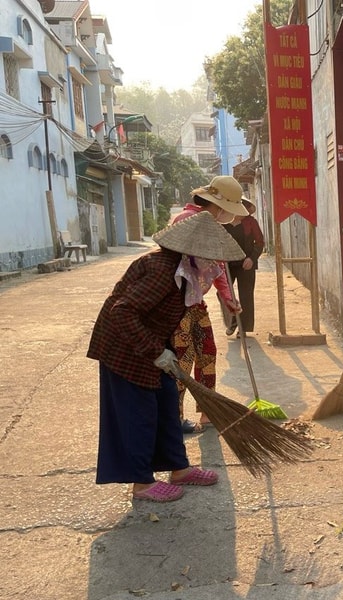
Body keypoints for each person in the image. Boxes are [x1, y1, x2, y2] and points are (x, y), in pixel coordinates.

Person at [87, 212, 246, 502]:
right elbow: (122, 312)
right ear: (192, 252)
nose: (212, 264)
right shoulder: (162, 270)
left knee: (166, 403)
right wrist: (156, 351)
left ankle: (179, 468)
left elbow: (165, 316)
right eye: (209, 257)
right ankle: (142, 484)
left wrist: (165, 349)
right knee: (139, 413)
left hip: (149, 343)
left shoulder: (184, 272)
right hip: (123, 347)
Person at [170, 175, 248, 433]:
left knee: (207, 353)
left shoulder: (212, 225)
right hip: (175, 306)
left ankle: (207, 411)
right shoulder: (186, 221)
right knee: (182, 360)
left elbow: (219, 266)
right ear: (218, 205)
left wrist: (229, 297)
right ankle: (175, 416)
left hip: (195, 303)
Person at [223, 195, 265, 336]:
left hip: (246, 263)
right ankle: (233, 321)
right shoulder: (223, 223)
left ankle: (243, 328)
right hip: (226, 264)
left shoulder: (250, 222)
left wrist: (252, 259)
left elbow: (260, 243)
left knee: (246, 294)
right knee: (224, 294)